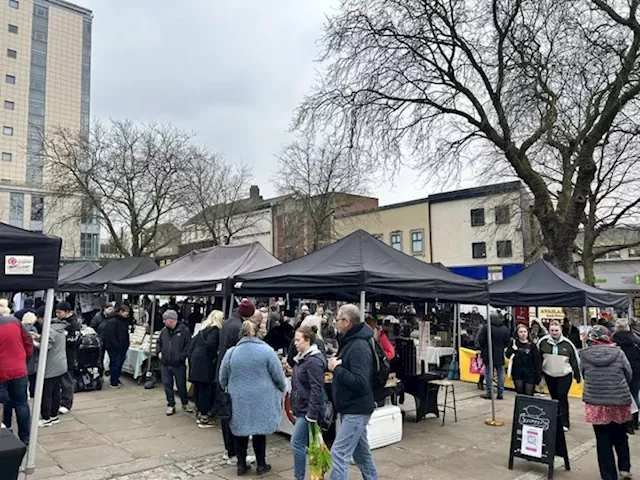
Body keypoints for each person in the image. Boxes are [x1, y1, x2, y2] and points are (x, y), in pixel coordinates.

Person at [219, 320, 287, 476]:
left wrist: (229, 387)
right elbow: (278, 376)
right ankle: (261, 464)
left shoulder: (231, 353)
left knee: (240, 431)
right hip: (262, 398)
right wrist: (282, 388)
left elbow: (222, 378)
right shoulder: (267, 351)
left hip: (239, 399)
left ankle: (241, 465)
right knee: (259, 432)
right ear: (257, 333)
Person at [327, 304, 378, 480]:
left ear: (347, 322)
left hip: (357, 408)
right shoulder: (350, 341)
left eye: (338, 319)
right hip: (351, 407)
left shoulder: (358, 346)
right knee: (361, 455)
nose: (335, 322)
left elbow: (360, 381)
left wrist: (337, 368)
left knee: (338, 453)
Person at [580, 325, 633, 480]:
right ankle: (624, 468)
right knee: (621, 436)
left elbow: (584, 374)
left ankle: (608, 476)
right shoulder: (618, 353)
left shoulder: (584, 355)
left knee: (602, 441)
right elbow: (628, 373)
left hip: (596, 402)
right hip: (618, 401)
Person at [216, 298, 258, 466]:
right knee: (234, 417)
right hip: (233, 378)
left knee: (227, 415)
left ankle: (229, 451)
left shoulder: (228, 323)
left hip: (223, 373)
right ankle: (234, 454)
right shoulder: (237, 327)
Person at [290, 325, 327, 480]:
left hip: (308, 410)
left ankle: (299, 477)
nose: (295, 343)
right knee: (307, 444)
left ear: (307, 340)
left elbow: (316, 388)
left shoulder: (313, 361)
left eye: (298, 340)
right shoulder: (303, 357)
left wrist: (311, 414)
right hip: (302, 407)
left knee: (296, 443)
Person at [538, 320, 581, 431]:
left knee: (562, 397)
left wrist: (578, 375)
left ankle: (565, 423)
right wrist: (539, 375)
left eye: (556, 330)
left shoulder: (568, 343)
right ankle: (555, 420)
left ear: (560, 330)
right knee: (554, 398)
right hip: (549, 374)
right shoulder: (543, 342)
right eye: (552, 330)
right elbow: (538, 358)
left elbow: (574, 360)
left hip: (564, 374)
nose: (554, 332)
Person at [0, 311, 34, 443]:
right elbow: (28, 341)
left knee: (4, 402)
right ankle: (25, 437)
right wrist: (24, 358)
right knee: (21, 403)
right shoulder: (14, 321)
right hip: (18, 369)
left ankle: (5, 432)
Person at [188, 309, 222, 428]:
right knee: (205, 391)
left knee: (198, 389)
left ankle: (199, 413)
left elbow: (191, 346)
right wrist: (215, 355)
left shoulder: (203, 329)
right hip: (205, 364)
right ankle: (204, 417)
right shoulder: (215, 330)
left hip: (196, 361)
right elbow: (211, 345)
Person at [157, 309, 193, 415]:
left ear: (172, 320)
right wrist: (158, 352)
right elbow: (159, 342)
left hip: (178, 364)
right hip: (165, 363)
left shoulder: (184, 331)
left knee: (181, 385)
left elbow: (188, 345)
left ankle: (184, 403)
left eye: (165, 319)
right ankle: (170, 404)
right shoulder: (164, 331)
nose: (163, 322)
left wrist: (182, 357)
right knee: (167, 385)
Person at [39, 314, 69, 427]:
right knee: (56, 391)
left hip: (50, 366)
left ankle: (46, 417)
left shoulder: (50, 330)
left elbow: (45, 347)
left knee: (46, 393)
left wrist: (35, 343)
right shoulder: (60, 328)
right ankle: (53, 415)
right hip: (60, 364)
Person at [613, 318, 640, 433]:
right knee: (634, 395)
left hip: (620, 372)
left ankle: (627, 422)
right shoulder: (636, 340)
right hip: (637, 371)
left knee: (622, 397)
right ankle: (635, 421)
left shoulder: (613, 341)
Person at [54, 301, 81, 414]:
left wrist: (63, 337)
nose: (57, 315)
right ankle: (61, 400)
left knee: (67, 379)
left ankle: (66, 402)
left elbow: (75, 341)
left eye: (59, 312)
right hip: (60, 355)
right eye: (56, 312)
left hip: (69, 355)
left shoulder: (73, 324)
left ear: (67, 312)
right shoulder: (60, 322)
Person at [477, 312, 510, 400]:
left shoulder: (486, 328)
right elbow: (507, 343)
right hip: (500, 353)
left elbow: (481, 341)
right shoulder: (505, 329)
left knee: (488, 373)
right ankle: (500, 393)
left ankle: (489, 392)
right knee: (500, 373)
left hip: (488, 353)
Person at [505, 324, 541, 396]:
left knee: (529, 395)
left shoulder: (532, 345)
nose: (523, 334)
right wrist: (513, 349)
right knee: (520, 394)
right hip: (518, 372)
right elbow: (507, 355)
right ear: (517, 333)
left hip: (530, 373)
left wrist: (538, 375)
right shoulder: (514, 343)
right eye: (521, 332)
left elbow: (537, 361)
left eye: (525, 331)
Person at [101, 304, 131, 389]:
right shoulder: (113, 321)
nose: (127, 314)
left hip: (122, 346)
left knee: (119, 363)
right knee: (115, 363)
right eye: (125, 312)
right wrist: (116, 345)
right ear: (121, 311)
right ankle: (113, 381)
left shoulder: (124, 321)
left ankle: (116, 378)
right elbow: (111, 335)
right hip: (114, 347)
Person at [22, 312, 40, 398]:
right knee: (33, 376)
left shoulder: (21, 328)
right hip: (33, 355)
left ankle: (26, 393)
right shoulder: (33, 329)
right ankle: (32, 393)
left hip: (24, 355)